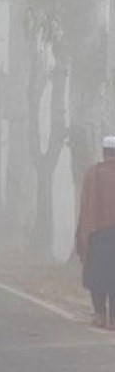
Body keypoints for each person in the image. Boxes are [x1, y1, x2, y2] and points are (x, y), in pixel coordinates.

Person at [76, 136, 115, 329]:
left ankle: (100, 314)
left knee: (96, 275)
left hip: (98, 233)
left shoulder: (93, 173)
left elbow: (86, 206)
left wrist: (83, 235)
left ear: (103, 151)